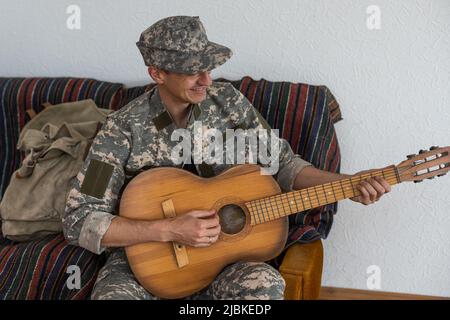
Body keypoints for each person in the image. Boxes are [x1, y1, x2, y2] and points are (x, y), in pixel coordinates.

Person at [63, 16, 391, 300]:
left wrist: (350, 184)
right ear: (157, 73)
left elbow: (284, 165)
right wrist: (170, 230)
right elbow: (80, 219)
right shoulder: (119, 129)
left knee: (264, 285)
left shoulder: (229, 102)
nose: (206, 80)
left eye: (208, 67)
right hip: (147, 267)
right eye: (192, 71)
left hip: (226, 263)